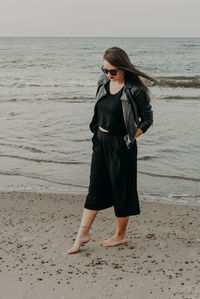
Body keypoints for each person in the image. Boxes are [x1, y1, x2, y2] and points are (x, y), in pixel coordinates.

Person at [67, 47, 160, 254]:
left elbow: (147, 119)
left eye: (112, 71)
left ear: (123, 68)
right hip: (101, 140)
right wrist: (97, 134)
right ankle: (82, 234)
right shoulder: (103, 82)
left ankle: (120, 235)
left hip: (121, 145)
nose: (107, 74)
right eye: (105, 69)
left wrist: (128, 138)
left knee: (122, 189)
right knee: (95, 187)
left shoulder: (134, 89)